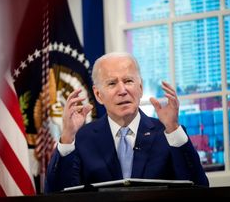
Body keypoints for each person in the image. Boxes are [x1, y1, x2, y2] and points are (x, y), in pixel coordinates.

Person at [44, 52, 209, 193]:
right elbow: (56, 195)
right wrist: (67, 137)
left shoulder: (167, 133)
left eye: (128, 81)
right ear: (98, 95)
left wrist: (173, 129)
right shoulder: (81, 139)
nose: (122, 91)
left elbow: (200, 188)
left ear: (140, 88)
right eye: (112, 83)